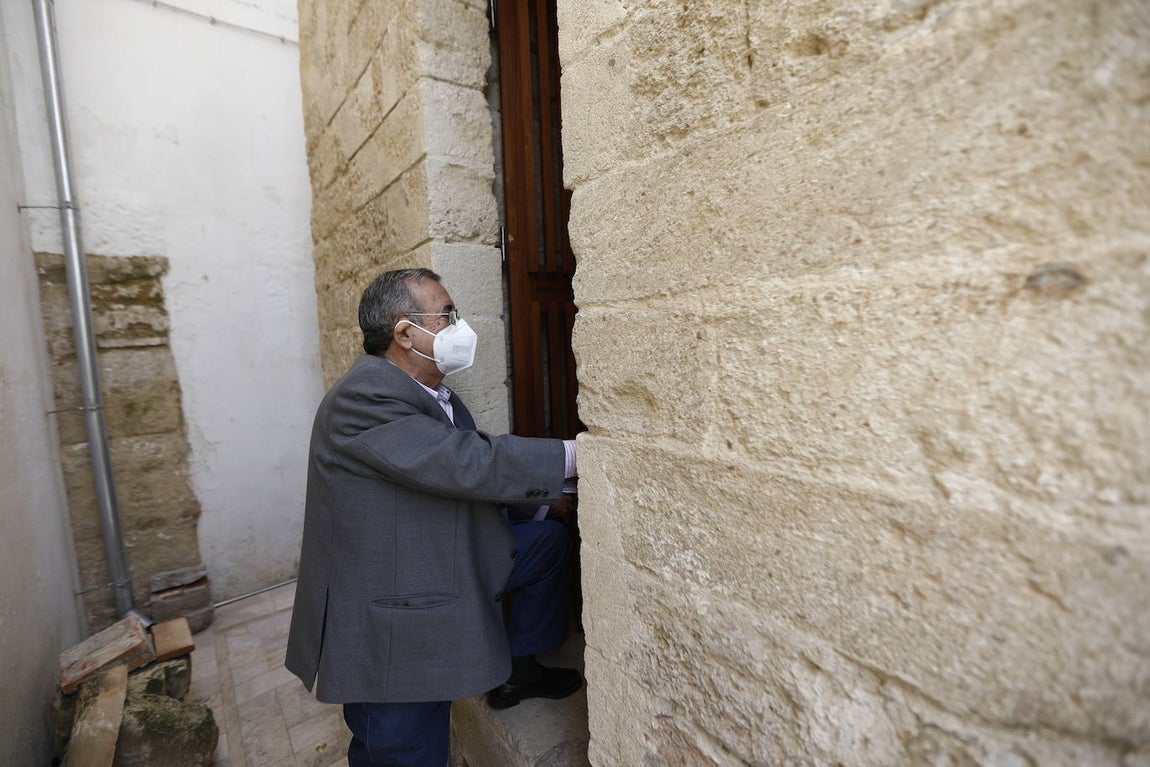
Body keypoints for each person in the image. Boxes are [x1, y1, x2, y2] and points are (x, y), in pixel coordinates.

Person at [285, 268, 581, 767]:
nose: (459, 326)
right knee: (406, 745)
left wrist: (538, 501)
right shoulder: (363, 399)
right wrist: (580, 457)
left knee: (545, 543)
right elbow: (466, 462)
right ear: (404, 333)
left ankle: (520, 669)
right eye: (447, 315)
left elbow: (451, 477)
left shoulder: (433, 396)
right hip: (394, 611)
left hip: (446, 556)